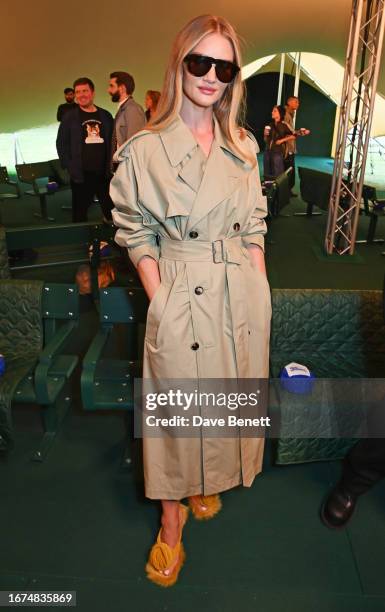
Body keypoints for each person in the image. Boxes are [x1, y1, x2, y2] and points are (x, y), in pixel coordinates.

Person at [110, 14, 271, 587]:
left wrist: (259, 285)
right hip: (181, 290)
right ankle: (171, 521)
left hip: (239, 296)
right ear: (179, 64)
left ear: (233, 76)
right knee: (176, 414)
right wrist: (161, 295)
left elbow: (254, 223)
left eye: (222, 66)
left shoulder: (244, 146)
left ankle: (209, 479)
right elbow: (133, 229)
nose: (209, 75)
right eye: (198, 62)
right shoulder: (145, 148)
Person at [56, 77, 114, 222]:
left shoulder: (106, 116)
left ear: (92, 93)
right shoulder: (69, 118)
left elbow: (113, 141)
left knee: (111, 211)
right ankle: (82, 243)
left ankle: (115, 241)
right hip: (81, 176)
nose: (81, 95)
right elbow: (61, 143)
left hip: (104, 175)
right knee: (80, 214)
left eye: (85, 91)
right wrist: (69, 166)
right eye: (78, 92)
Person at [108, 71, 146, 167]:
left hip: (127, 167)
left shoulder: (132, 109)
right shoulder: (124, 109)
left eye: (112, 86)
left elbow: (134, 144)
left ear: (122, 88)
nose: (108, 90)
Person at [284, 96, 310, 195]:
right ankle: (285, 191)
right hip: (287, 148)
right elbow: (289, 132)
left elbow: (291, 132)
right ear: (289, 102)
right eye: (296, 102)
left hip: (290, 147)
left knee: (289, 170)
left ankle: (287, 191)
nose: (298, 104)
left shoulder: (290, 114)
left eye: (298, 102)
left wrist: (299, 132)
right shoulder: (286, 115)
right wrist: (301, 132)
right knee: (288, 170)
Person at [263, 105, 296, 179]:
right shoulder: (270, 125)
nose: (272, 112)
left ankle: (277, 190)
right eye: (272, 111)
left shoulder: (284, 125)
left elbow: (293, 136)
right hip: (267, 152)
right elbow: (265, 140)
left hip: (277, 153)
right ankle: (268, 188)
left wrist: (281, 140)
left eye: (274, 111)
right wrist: (265, 134)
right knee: (267, 174)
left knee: (277, 174)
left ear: (280, 113)